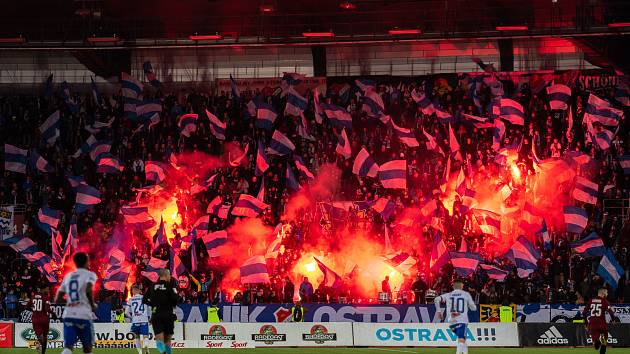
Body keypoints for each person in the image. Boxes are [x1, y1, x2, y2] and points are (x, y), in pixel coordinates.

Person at [54, 252, 98, 354]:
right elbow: (88, 290)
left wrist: (71, 302)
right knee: (87, 348)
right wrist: (92, 305)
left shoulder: (68, 276)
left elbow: (57, 299)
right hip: (84, 314)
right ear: (86, 262)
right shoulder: (90, 275)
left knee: (68, 347)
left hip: (68, 314)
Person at [434, 280, 477, 354]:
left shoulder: (448, 295)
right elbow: (474, 308)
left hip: (451, 323)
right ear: (461, 286)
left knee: (462, 338)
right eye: (462, 285)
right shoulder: (466, 294)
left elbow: (436, 299)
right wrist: (469, 305)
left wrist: (439, 311)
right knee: (461, 340)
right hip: (462, 321)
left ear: (453, 286)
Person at [143, 269, 178, 354]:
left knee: (159, 340)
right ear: (166, 275)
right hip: (168, 315)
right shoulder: (170, 286)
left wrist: (153, 304)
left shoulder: (152, 286)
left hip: (156, 315)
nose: (170, 277)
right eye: (169, 275)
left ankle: (162, 352)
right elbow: (175, 300)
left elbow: (144, 300)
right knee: (168, 340)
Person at [584, 288, 618, 354]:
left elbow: (584, 313)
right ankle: (603, 345)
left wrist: (586, 323)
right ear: (602, 294)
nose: (607, 294)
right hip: (602, 324)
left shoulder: (591, 301)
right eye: (606, 293)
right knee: (604, 339)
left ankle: (597, 342)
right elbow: (611, 312)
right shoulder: (605, 301)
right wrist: (613, 320)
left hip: (592, 324)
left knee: (595, 345)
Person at [126, 285, 151, 354]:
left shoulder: (130, 299)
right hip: (144, 319)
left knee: (136, 336)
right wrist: (150, 317)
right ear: (139, 290)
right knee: (145, 335)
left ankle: (140, 352)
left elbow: (126, 312)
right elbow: (150, 309)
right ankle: (146, 347)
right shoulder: (145, 298)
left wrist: (131, 317)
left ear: (133, 291)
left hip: (135, 320)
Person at [28, 287, 51, 354]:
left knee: (40, 337)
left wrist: (34, 311)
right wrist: (53, 313)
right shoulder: (46, 297)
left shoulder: (32, 297)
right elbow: (47, 309)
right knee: (45, 337)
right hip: (44, 319)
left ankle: (38, 343)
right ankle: (42, 350)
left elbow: (26, 307)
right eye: (47, 289)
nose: (48, 290)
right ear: (42, 289)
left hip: (36, 319)